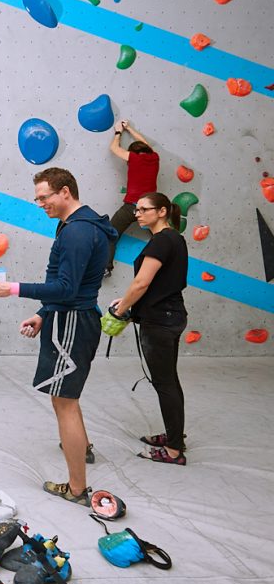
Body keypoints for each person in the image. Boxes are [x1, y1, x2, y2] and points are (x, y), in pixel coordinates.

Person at [0, 168, 116, 506]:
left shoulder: (78, 233)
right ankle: (82, 451)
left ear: (65, 192)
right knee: (67, 399)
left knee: (64, 403)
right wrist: (43, 314)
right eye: (37, 198)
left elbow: (67, 288)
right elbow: (71, 285)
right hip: (67, 318)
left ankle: (77, 489)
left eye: (45, 197)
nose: (40, 203)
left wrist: (12, 288)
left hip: (71, 322)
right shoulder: (77, 226)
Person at [110, 193, 188, 465]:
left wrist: (120, 311)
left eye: (144, 209)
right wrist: (126, 301)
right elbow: (158, 284)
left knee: (165, 384)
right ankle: (174, 436)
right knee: (169, 381)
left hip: (160, 321)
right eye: (137, 209)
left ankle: (174, 451)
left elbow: (142, 283)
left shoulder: (162, 240)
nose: (137, 214)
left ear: (162, 211)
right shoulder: (173, 239)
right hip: (170, 315)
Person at [106, 120, 159, 277]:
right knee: (160, 238)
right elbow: (146, 144)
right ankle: (162, 269)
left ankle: (106, 267)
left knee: (110, 235)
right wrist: (130, 128)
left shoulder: (133, 158)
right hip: (151, 208)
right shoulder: (155, 158)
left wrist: (118, 132)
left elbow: (114, 148)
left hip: (132, 206)